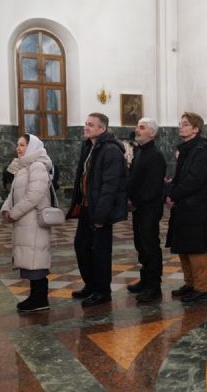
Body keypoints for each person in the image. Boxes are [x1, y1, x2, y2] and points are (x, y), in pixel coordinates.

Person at [67, 113, 128, 307]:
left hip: (101, 209)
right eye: (86, 124)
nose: (86, 127)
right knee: (81, 246)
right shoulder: (88, 146)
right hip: (87, 207)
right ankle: (91, 285)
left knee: (100, 252)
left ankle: (102, 291)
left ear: (102, 129)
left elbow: (110, 186)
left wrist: (101, 215)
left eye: (91, 125)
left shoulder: (111, 150)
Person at [166, 112, 207, 303]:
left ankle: (201, 288)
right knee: (184, 247)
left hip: (197, 207)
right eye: (181, 123)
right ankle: (189, 283)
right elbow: (182, 177)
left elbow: (194, 180)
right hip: (184, 206)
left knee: (196, 249)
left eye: (186, 124)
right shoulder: (188, 148)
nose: (181, 127)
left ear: (196, 129)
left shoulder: (202, 150)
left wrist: (173, 194)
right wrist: (172, 190)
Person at [0, 134, 53, 312]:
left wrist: (14, 213)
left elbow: (34, 195)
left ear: (32, 147)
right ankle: (35, 296)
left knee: (35, 259)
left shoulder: (37, 166)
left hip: (34, 223)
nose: (18, 148)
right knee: (30, 258)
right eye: (18, 144)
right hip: (25, 221)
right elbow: (12, 193)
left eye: (22, 145)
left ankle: (40, 299)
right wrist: (6, 209)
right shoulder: (24, 167)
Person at [126, 118, 167, 302]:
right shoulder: (140, 151)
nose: (137, 130)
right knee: (141, 245)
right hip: (139, 207)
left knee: (150, 246)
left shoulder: (155, 156)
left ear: (152, 133)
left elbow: (152, 187)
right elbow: (134, 179)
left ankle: (153, 286)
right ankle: (145, 280)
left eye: (142, 127)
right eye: (137, 126)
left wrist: (135, 201)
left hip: (149, 208)